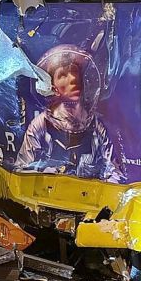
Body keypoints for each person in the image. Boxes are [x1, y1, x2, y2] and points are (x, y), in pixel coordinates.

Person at [16, 44, 125, 183]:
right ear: (52, 86)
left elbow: (114, 171)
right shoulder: (41, 125)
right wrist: (43, 174)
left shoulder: (95, 125)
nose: (73, 78)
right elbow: (21, 170)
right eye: (63, 75)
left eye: (74, 71)